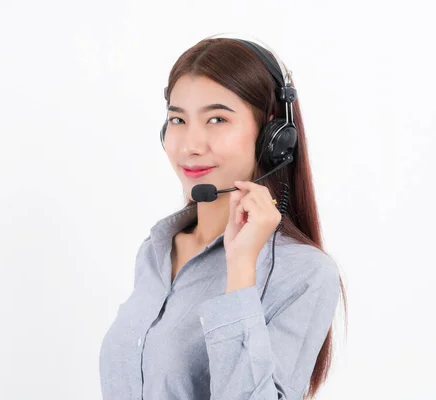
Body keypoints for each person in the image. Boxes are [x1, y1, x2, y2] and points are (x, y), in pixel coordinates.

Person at [98, 33, 348, 400]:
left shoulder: (305, 274)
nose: (190, 145)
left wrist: (241, 270)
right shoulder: (155, 251)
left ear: (274, 137)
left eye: (217, 119)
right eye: (178, 120)